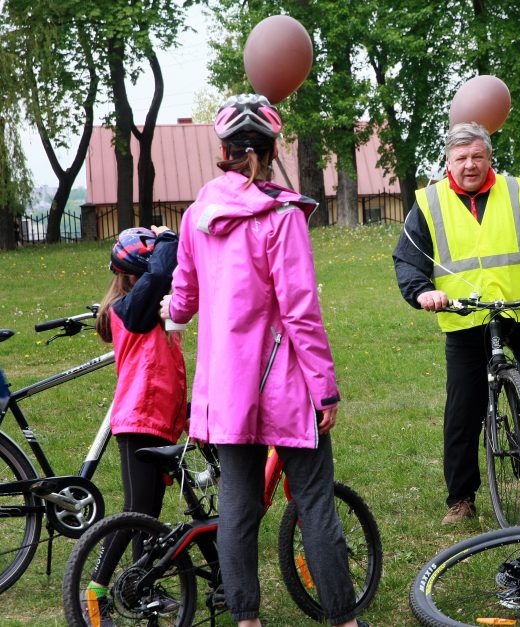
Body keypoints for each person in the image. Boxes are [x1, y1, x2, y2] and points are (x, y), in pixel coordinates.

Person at [160, 94, 364, 627]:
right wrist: (325, 387)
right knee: (315, 502)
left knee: (237, 506)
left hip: (228, 387)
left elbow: (184, 293)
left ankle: (246, 620)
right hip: (287, 382)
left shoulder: (198, 214)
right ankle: (343, 619)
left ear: (223, 151)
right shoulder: (282, 215)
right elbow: (300, 312)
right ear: (272, 149)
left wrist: (171, 312)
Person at [393, 121, 520, 524]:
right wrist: (422, 291)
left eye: (477, 156)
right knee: (463, 410)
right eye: (461, 158)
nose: (469, 165)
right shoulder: (428, 203)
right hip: (465, 318)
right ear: (448, 161)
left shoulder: (516, 193)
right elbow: (408, 259)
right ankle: (461, 498)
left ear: (489, 158)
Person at [84, 226, 188, 622]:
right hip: (139, 420)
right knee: (136, 511)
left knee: (148, 516)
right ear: (133, 276)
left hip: (158, 421)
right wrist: (166, 238)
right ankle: (95, 592)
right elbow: (160, 274)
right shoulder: (131, 310)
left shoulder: (144, 310)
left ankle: (139, 585)